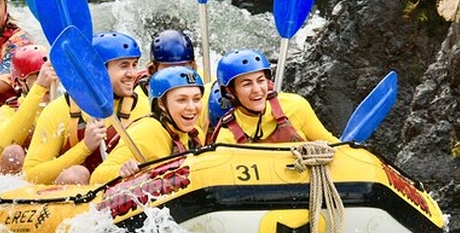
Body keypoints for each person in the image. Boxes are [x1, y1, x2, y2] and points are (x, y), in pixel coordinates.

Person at [23, 31, 150, 185]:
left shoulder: (142, 106)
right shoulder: (60, 110)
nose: (132, 74)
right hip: (73, 196)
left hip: (117, 194)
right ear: (97, 70)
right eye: (124, 66)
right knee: (76, 174)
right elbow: (31, 176)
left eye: (134, 65)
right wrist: (85, 147)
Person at [90, 66, 205, 184]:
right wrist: (121, 171)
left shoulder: (196, 134)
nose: (191, 107)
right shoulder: (146, 131)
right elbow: (97, 176)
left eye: (196, 99)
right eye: (182, 100)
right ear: (161, 104)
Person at [211, 49, 339, 144]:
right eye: (247, 84)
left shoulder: (296, 106)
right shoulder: (227, 137)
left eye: (261, 80)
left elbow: (332, 145)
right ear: (230, 91)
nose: (257, 90)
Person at [0, 44, 58, 174]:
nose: (48, 81)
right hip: (16, 183)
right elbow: (9, 140)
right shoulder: (5, 112)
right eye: (38, 75)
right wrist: (39, 88)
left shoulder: (63, 107)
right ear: (20, 82)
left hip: (47, 175)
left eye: (51, 74)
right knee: (13, 152)